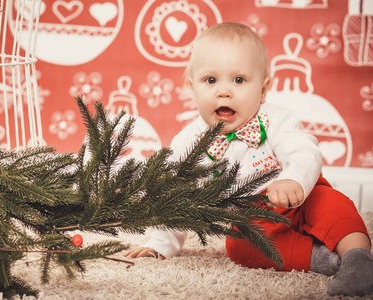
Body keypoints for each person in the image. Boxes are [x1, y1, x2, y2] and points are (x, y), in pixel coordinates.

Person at [124, 22, 373, 297]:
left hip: (301, 197)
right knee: (240, 247)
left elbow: (304, 150)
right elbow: (175, 196)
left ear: (264, 89)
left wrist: (294, 179)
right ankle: (327, 261)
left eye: (239, 80)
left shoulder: (276, 119)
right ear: (191, 87)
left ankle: (358, 255)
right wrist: (161, 243)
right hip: (254, 218)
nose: (224, 91)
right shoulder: (189, 142)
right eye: (210, 80)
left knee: (333, 205)